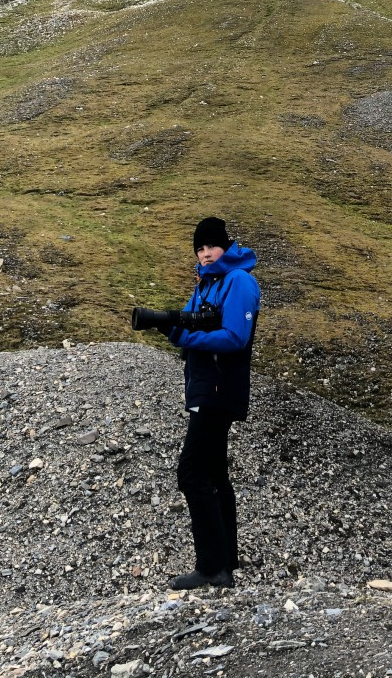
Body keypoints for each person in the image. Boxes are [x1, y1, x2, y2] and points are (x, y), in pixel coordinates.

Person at [165, 216, 260, 591]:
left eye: (211, 246)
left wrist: (187, 340)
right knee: (215, 474)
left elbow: (235, 336)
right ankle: (225, 562)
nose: (205, 253)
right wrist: (169, 326)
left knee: (192, 474)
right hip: (206, 389)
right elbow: (190, 329)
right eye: (199, 248)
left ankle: (210, 567)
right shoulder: (206, 284)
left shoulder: (239, 281)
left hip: (219, 389)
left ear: (225, 246)